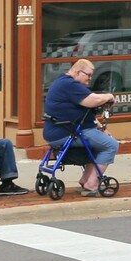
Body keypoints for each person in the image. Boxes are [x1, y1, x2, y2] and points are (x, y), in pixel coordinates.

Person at [43, 57, 119, 195]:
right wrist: (109, 96)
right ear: (78, 72)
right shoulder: (70, 85)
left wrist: (99, 128)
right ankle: (91, 184)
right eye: (88, 75)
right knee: (111, 145)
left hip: (58, 131)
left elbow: (82, 112)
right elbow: (92, 101)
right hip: (66, 132)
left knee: (99, 144)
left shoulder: (63, 82)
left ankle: (86, 180)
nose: (90, 79)